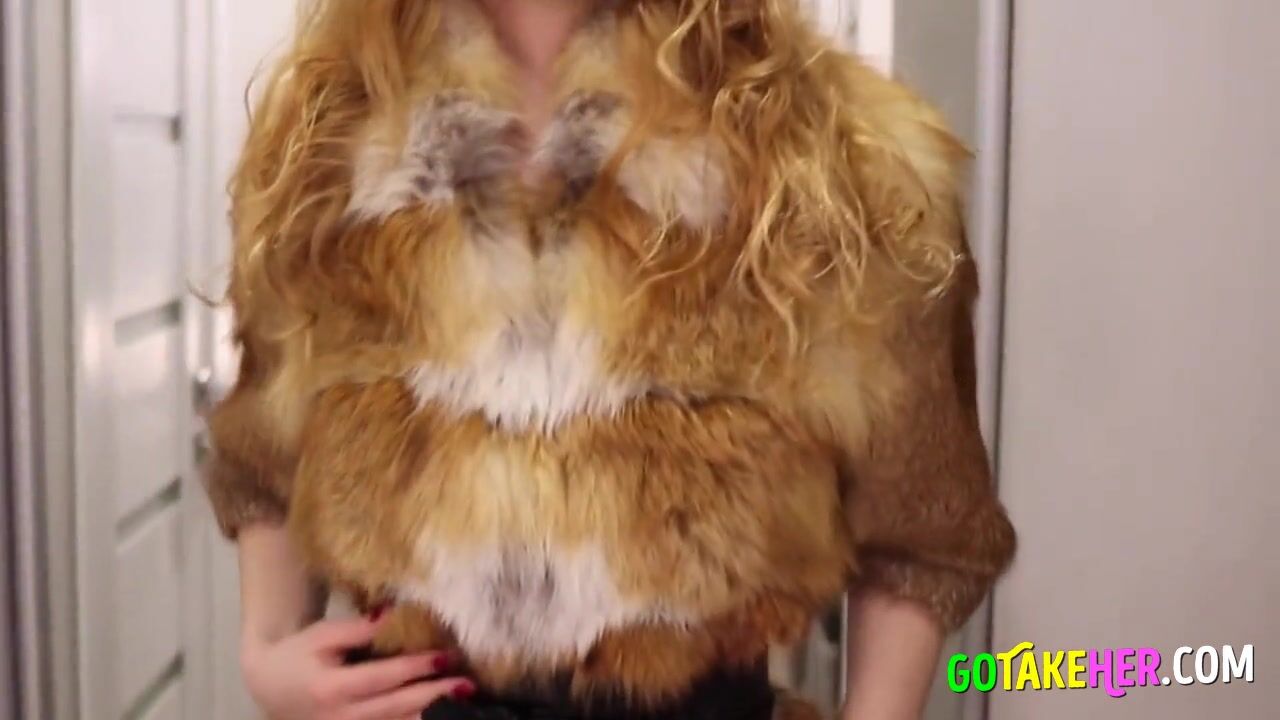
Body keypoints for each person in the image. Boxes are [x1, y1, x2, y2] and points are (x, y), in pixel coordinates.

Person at [203, 1, 1017, 719]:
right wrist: (266, 653)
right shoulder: (326, 136)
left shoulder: (842, 155)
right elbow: (264, 455)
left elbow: (920, 526)